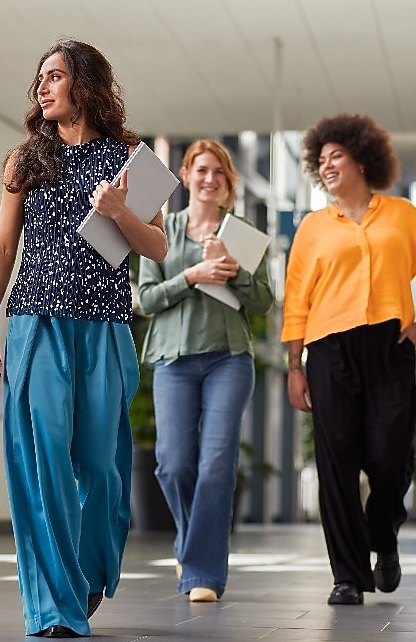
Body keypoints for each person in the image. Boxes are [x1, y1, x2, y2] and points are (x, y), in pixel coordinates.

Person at [0, 39, 167, 638]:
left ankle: (85, 573)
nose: (42, 86)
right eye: (39, 78)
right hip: (36, 324)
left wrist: (119, 211)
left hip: (104, 327)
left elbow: (157, 247)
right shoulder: (24, 160)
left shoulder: (132, 160)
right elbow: (4, 246)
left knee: (101, 467)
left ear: (84, 84)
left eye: (54, 76)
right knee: (42, 463)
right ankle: (53, 607)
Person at [280, 112, 416, 606]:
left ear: (362, 159)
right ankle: (347, 577)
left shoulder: (403, 215)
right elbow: (296, 300)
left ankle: (385, 536)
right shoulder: (313, 227)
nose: (327, 166)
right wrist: (294, 365)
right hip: (329, 351)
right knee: (337, 464)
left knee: (391, 457)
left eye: (337, 157)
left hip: (390, 348)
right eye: (321, 160)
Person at [137, 139, 274, 603]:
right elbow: (146, 299)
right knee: (173, 464)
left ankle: (202, 574)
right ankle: (189, 544)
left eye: (219, 171)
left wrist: (235, 272)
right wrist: (192, 276)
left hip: (228, 359)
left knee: (217, 467)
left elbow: (262, 303)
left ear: (227, 181)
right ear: (187, 175)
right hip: (173, 360)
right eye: (201, 170)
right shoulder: (163, 228)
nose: (209, 178)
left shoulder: (241, 233)